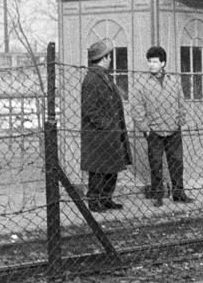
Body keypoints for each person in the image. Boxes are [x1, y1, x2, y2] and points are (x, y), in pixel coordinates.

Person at [128, 45, 193, 204]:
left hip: (173, 130)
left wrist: (180, 122)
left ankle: (179, 194)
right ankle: (158, 196)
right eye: (149, 61)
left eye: (155, 62)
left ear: (163, 63)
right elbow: (136, 108)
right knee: (155, 164)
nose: (151, 65)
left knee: (177, 163)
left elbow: (181, 103)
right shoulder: (142, 84)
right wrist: (146, 129)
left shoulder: (173, 81)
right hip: (154, 132)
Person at [79, 39, 130, 211]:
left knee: (111, 167)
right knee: (98, 169)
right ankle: (94, 201)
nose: (111, 59)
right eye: (109, 56)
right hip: (100, 135)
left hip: (109, 134)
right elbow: (89, 109)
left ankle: (106, 198)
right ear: (105, 57)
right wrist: (107, 125)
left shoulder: (101, 76)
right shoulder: (92, 79)